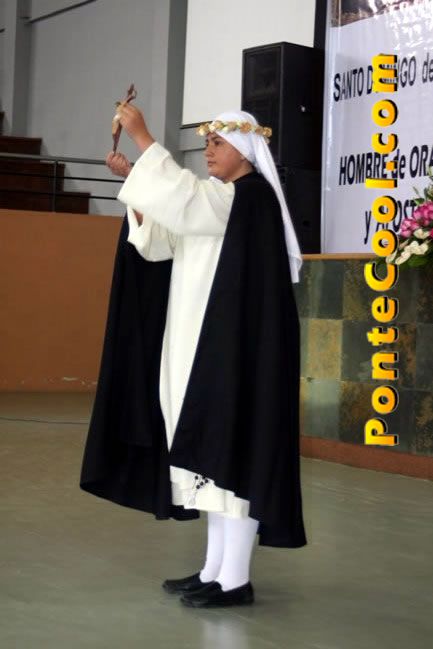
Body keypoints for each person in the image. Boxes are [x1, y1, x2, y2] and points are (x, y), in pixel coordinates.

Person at [80, 105, 307, 609]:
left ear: (244, 151)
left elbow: (185, 201)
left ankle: (235, 580)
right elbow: (160, 241)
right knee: (208, 463)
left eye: (217, 144)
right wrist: (138, 183)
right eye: (206, 144)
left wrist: (143, 140)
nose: (208, 152)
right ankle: (214, 571)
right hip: (196, 346)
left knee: (230, 462)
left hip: (230, 357)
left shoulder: (247, 198)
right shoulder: (218, 200)